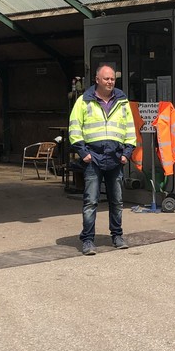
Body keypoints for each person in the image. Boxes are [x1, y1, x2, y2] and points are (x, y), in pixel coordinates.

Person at [68, 64, 137, 255]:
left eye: (112, 79)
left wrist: (127, 153)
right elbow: (74, 128)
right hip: (93, 158)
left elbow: (130, 129)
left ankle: (117, 236)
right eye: (106, 78)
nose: (110, 82)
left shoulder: (122, 102)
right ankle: (88, 240)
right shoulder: (83, 101)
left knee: (117, 201)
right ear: (97, 79)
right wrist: (83, 152)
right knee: (91, 202)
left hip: (115, 158)